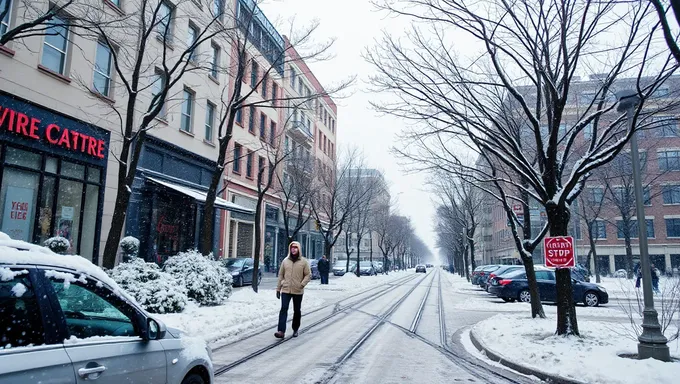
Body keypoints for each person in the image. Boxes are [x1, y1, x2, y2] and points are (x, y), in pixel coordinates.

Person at [275, 241, 311, 338]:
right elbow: (280, 275)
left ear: (299, 249)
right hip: (286, 289)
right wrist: (278, 288)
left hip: (298, 290)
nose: (293, 249)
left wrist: (302, 284)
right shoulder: (285, 261)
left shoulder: (303, 262)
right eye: (292, 248)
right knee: (283, 309)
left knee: (297, 310)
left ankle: (295, 329)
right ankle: (281, 331)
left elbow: (308, 275)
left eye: (295, 248)